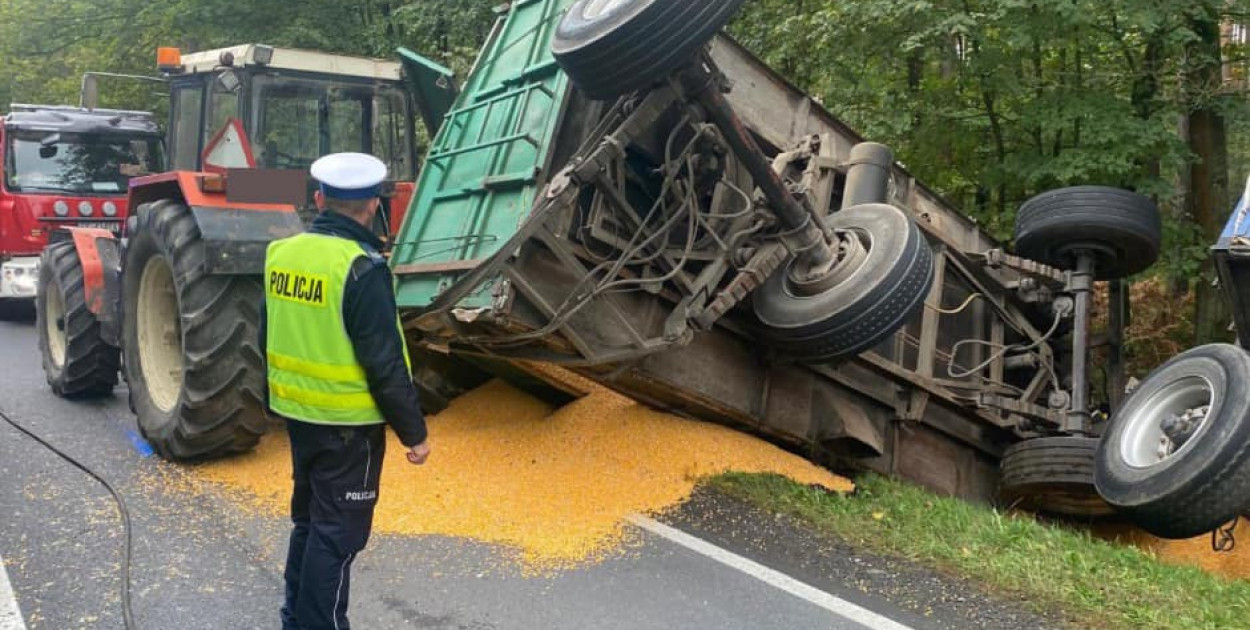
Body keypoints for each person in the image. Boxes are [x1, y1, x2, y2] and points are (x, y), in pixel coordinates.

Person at [260, 152, 431, 630]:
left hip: (299, 416)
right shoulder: (362, 268)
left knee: (311, 524)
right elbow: (384, 362)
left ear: (319, 199)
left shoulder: (282, 253)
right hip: (348, 430)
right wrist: (413, 433)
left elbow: (263, 335)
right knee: (337, 538)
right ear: (375, 205)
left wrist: (274, 400)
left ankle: (295, 620)